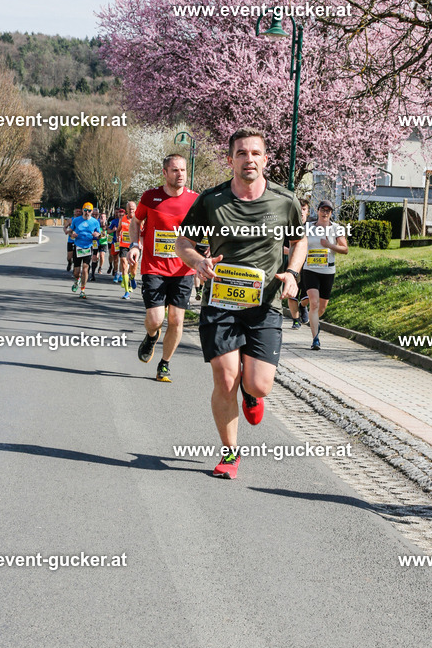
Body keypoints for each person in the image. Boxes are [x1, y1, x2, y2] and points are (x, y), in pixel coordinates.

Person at [175, 128, 307, 480]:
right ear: (230, 159)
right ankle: (230, 452)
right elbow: (183, 241)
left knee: (259, 384)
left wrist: (293, 272)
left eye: (255, 153)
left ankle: (252, 395)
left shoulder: (284, 200)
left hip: (264, 305)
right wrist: (196, 261)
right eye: (241, 153)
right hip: (220, 302)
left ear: (265, 159)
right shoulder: (212, 200)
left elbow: (300, 241)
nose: (248, 159)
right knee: (225, 377)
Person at [129, 155, 199, 382]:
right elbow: (136, 222)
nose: (180, 175)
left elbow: (204, 229)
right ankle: (151, 337)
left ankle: (164, 364)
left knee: (177, 320)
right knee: (156, 319)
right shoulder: (150, 197)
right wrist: (134, 244)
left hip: (183, 269)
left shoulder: (195, 200)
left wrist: (203, 253)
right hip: (154, 267)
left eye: (183, 170)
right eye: (175, 170)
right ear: (165, 173)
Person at [302, 199, 349, 350]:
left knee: (321, 308)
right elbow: (299, 244)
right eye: (323, 210)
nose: (325, 213)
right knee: (314, 303)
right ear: (318, 210)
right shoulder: (308, 227)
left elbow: (345, 249)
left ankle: (313, 320)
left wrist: (329, 245)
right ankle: (315, 339)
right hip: (310, 269)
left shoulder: (336, 228)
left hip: (328, 270)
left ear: (331, 213)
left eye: (328, 211)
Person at [285, 198, 311, 329]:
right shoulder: (287, 226)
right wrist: (295, 251)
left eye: (304, 209)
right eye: (299, 209)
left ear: (308, 211)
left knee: (309, 294)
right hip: (292, 266)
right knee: (292, 294)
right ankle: (295, 320)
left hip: (310, 266)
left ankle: (303, 306)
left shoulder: (313, 227)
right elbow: (280, 247)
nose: (301, 212)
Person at [68, 203, 101, 298]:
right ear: (82, 210)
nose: (87, 213)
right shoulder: (76, 220)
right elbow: (70, 231)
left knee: (85, 268)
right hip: (78, 246)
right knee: (76, 271)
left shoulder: (95, 222)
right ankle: (77, 280)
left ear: (92, 212)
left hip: (88, 247)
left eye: (89, 211)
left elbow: (100, 235)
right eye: (85, 210)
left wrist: (97, 235)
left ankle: (82, 290)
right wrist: (72, 234)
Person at [117, 202, 137, 299]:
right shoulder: (123, 219)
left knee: (133, 268)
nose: (131, 210)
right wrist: (117, 236)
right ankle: (126, 291)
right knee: (124, 264)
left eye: (133, 208)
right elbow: (118, 230)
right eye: (129, 208)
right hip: (124, 245)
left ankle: (132, 277)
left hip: (135, 246)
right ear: (127, 209)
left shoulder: (138, 219)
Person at [63, 207, 80, 271]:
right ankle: (69, 262)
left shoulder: (82, 220)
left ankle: (75, 269)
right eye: (77, 211)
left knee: (76, 256)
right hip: (71, 240)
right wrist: (65, 231)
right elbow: (65, 227)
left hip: (78, 241)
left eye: (79, 211)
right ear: (74, 212)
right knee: (69, 257)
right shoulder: (70, 220)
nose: (78, 213)